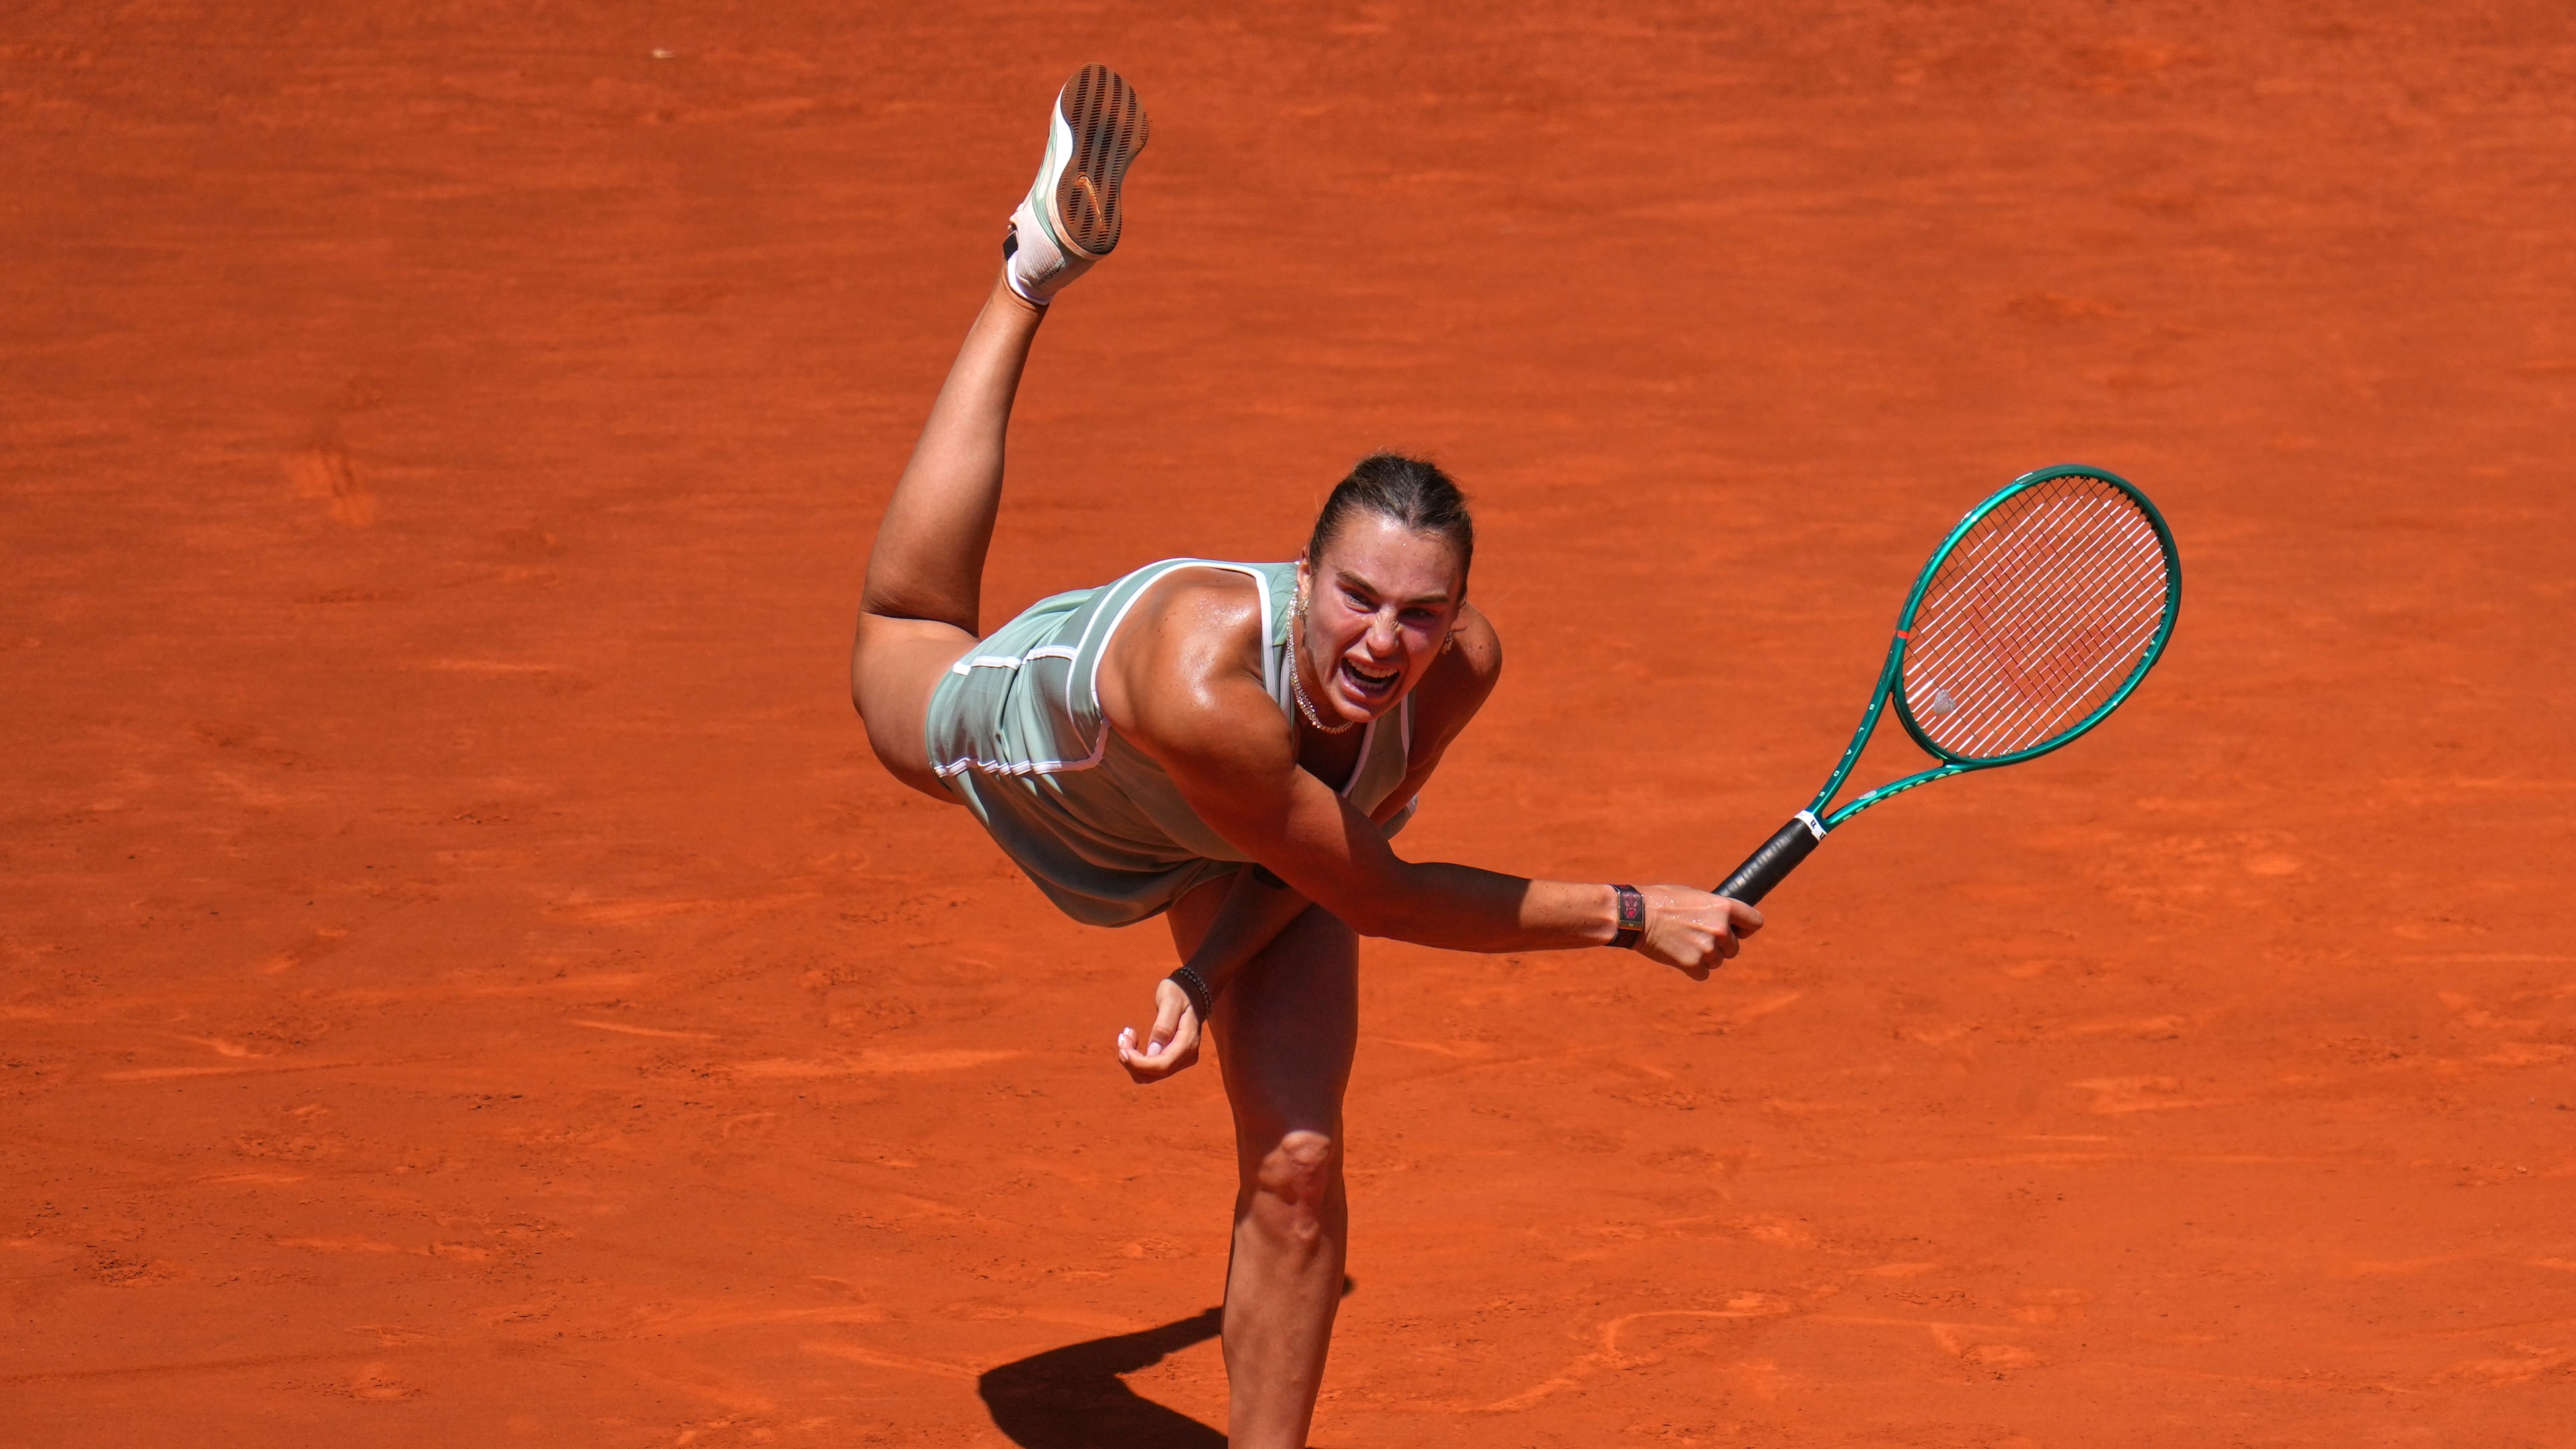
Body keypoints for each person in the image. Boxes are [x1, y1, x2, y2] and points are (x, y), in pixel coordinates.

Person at [848, 64, 1763, 1449]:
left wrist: (1203, 972)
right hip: (1049, 760)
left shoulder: (1456, 673)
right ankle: (1029, 273)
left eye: (1420, 612)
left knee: (1298, 1167)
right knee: (908, 630)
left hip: (1232, 835)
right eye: (1357, 598)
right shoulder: (1211, 683)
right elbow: (1376, 895)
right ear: (1301, 571)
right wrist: (1633, 915)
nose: (1387, 640)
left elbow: (1330, 851)